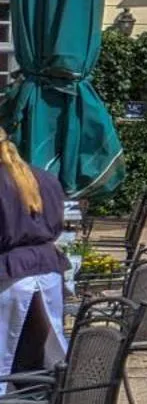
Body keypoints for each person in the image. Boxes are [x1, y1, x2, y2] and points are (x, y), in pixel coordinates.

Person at [0, 124, 70, 383]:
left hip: (10, 272)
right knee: (50, 348)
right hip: (47, 270)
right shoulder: (44, 178)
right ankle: (56, 402)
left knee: (4, 351)